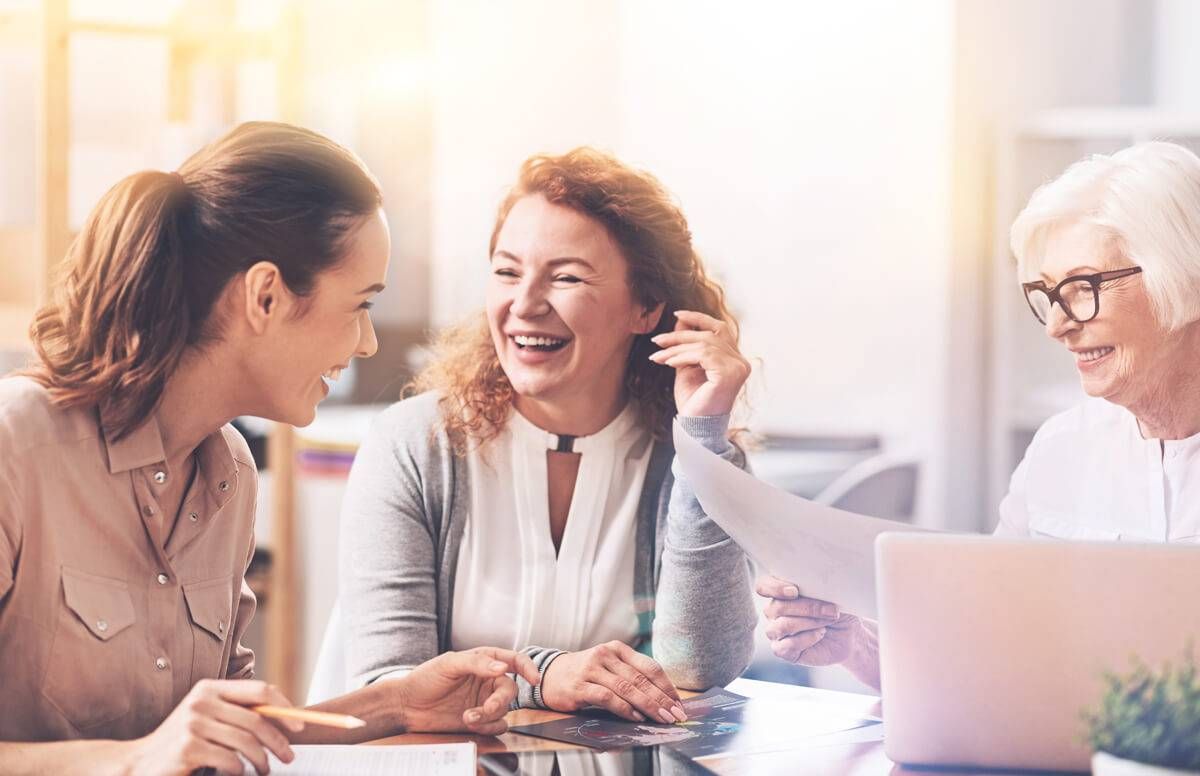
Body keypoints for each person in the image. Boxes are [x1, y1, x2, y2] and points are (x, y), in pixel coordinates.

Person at [0, 122, 539, 776]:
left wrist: (394, 706)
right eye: (359, 305)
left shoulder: (227, 471)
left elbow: (233, 738)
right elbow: (161, 753)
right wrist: (135, 760)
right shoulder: (16, 444)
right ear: (264, 297)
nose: (367, 342)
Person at [756, 140, 1200, 691]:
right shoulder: (1061, 449)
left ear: (1183, 276)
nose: (1057, 326)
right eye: (1047, 296)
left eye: (1082, 289)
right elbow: (984, 657)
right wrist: (855, 643)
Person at [338, 147, 757, 726]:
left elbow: (700, 667)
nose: (524, 305)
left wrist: (702, 440)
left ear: (645, 308)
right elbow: (388, 682)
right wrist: (544, 676)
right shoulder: (415, 445)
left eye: (565, 277)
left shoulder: (688, 457)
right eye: (507, 272)